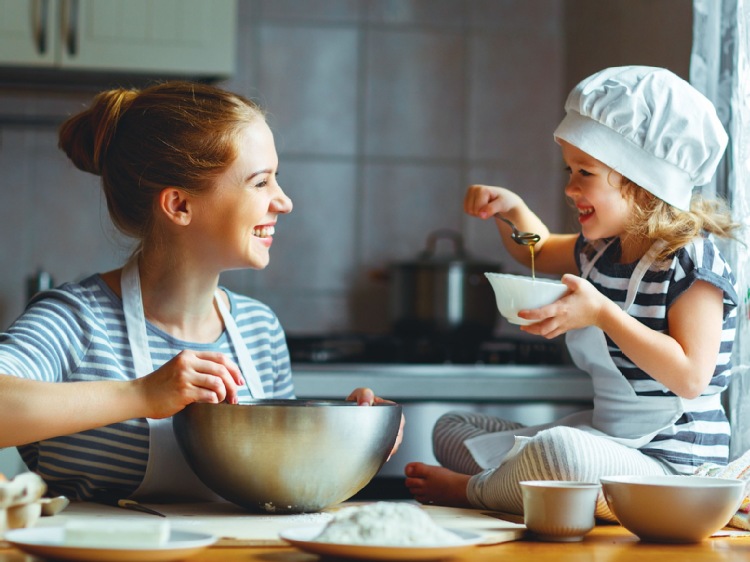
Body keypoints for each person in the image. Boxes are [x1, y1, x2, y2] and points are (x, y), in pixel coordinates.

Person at [0, 81, 402, 502]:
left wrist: (354, 432)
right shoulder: (77, 320)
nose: (283, 202)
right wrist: (142, 394)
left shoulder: (258, 329)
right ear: (179, 206)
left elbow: (280, 482)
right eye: (260, 182)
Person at [404, 66, 739, 520]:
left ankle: (475, 492)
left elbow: (690, 377)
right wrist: (514, 210)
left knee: (561, 450)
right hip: (610, 445)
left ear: (642, 183)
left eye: (586, 172)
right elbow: (535, 250)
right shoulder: (601, 251)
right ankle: (516, 484)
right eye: (569, 169)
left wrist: (602, 313)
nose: (569, 187)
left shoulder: (689, 263)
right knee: (451, 427)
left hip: (674, 473)